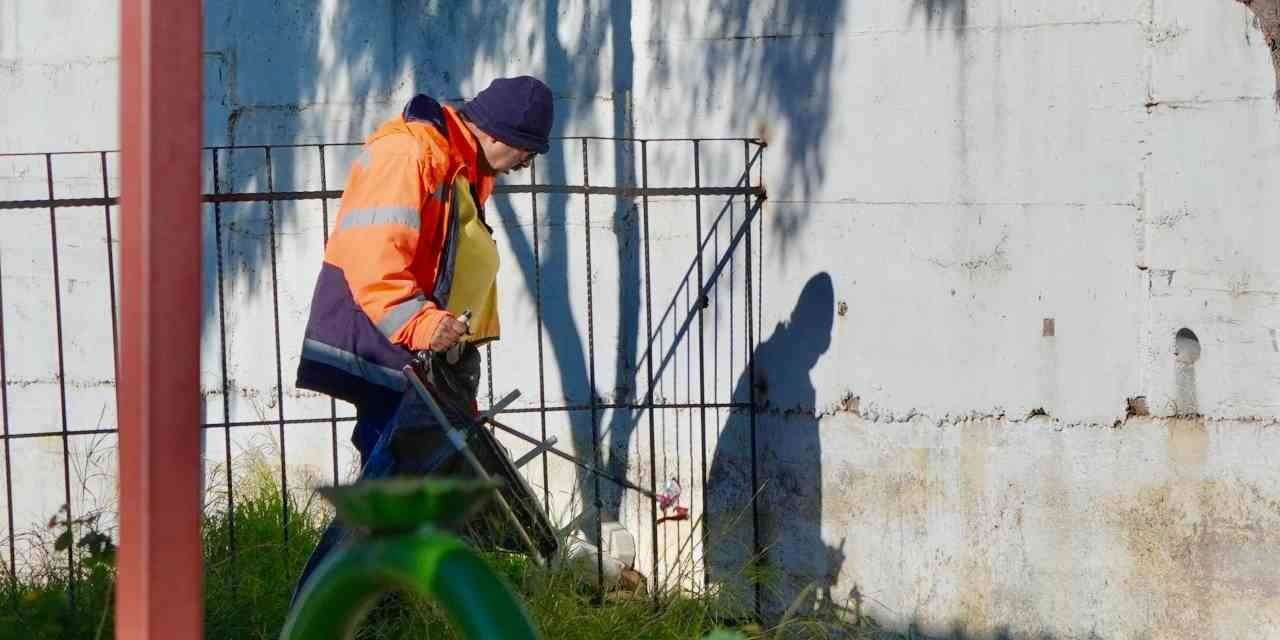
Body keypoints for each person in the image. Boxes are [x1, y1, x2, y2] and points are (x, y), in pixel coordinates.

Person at [291, 76, 555, 600]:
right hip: (389, 346)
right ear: (501, 135)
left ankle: (374, 612)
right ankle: (318, 613)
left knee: (402, 500)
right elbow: (374, 261)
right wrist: (426, 325)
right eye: (526, 153)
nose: (525, 165)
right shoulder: (411, 154)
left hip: (424, 355)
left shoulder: (460, 167)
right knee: (387, 494)